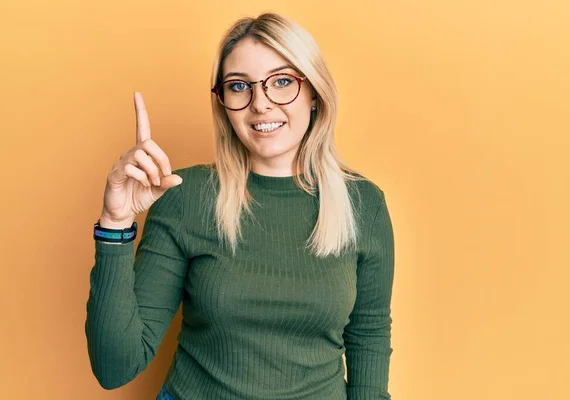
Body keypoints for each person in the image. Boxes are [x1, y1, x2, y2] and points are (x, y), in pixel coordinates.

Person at [85, 12, 395, 400]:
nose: (260, 104)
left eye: (282, 82)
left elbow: (369, 334)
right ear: (223, 103)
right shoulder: (185, 197)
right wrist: (115, 224)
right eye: (238, 86)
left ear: (314, 92)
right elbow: (115, 366)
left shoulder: (363, 205)